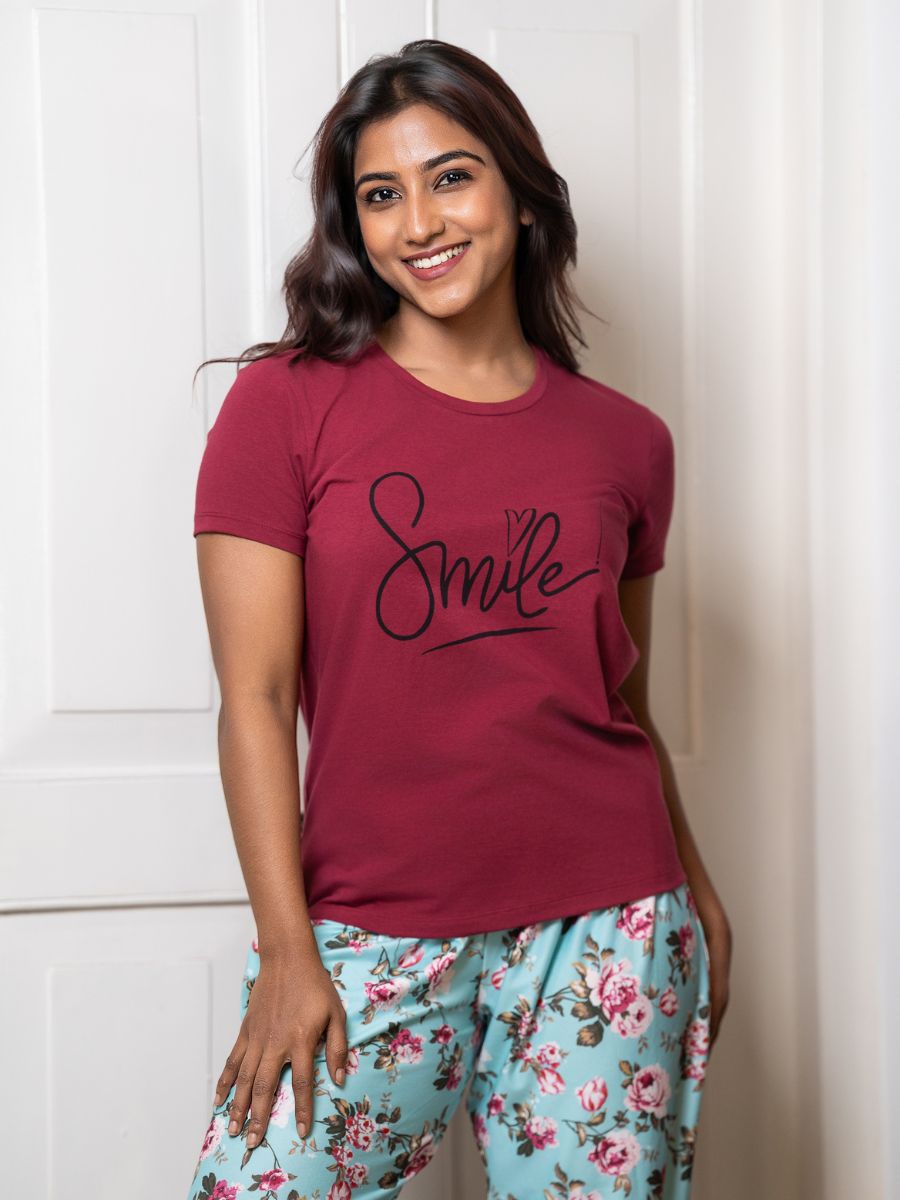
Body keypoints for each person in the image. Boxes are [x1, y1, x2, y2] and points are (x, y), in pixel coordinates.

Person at [185, 37, 732, 1200]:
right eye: (380, 194)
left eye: (452, 176)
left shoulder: (626, 442)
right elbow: (255, 698)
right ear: (354, 224)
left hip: (611, 925)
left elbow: (616, 692)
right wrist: (288, 950)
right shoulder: (284, 408)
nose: (420, 221)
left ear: (520, 194)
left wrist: (693, 884)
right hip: (370, 927)